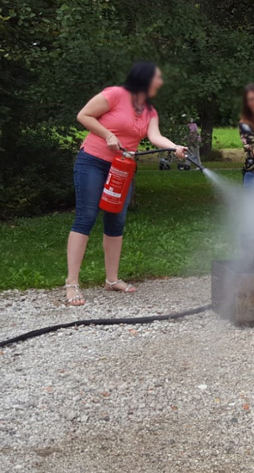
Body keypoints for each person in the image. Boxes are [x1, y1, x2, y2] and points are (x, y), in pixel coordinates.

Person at [66, 62, 188, 306]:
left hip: (122, 169)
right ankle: (71, 284)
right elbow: (84, 115)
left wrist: (174, 147)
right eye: (158, 78)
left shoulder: (150, 111)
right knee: (86, 217)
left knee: (116, 220)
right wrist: (108, 134)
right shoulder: (115, 94)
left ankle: (111, 280)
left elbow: (155, 136)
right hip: (92, 161)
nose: (161, 83)